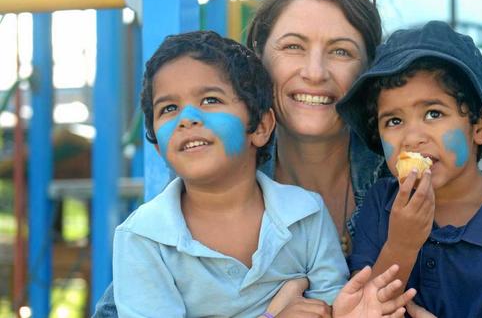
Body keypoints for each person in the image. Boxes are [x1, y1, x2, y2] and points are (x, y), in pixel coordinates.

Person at [95, 0, 482, 318]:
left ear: (370, 76)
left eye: (340, 51)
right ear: (257, 64)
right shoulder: (213, 184)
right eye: (292, 47)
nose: (314, 72)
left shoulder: (412, 172)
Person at [111, 30, 415, 317]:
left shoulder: (305, 213)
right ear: (158, 146)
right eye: (168, 108)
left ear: (260, 127)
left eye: (210, 100)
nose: (187, 119)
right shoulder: (143, 237)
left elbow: (330, 306)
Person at [337, 20, 482, 317]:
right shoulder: (380, 204)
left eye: (433, 113)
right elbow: (362, 312)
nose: (412, 137)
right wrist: (402, 244)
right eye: (394, 121)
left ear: (480, 127)